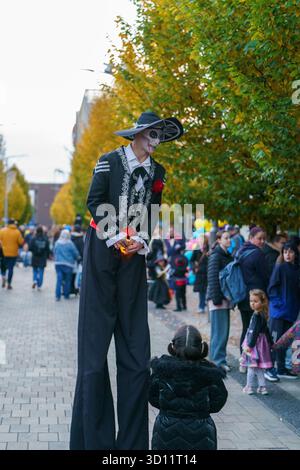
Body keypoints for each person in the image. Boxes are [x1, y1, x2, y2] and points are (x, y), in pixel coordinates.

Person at [70, 111, 183, 450]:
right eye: (152, 133)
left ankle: (132, 446)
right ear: (137, 134)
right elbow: (94, 202)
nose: (156, 140)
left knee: (136, 351)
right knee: (93, 354)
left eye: (160, 135)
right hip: (102, 251)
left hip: (134, 255)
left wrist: (142, 239)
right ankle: (94, 442)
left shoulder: (158, 172)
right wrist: (117, 236)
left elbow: (152, 211)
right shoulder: (108, 161)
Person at [149, 325, 228, 450]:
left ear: (173, 346)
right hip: (202, 431)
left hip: (166, 429)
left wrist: (169, 409)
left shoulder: (161, 369)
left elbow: (152, 396)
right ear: (201, 347)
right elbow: (218, 402)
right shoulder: (210, 372)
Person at [237, 226, 269, 372]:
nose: (262, 241)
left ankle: (243, 360)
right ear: (251, 237)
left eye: (264, 238)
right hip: (255, 297)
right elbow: (265, 276)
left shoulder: (240, 250)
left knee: (246, 328)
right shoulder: (258, 254)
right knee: (256, 329)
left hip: (243, 297)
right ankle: (254, 360)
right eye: (259, 238)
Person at [267, 242, 300, 379]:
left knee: (285, 342)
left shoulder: (297, 269)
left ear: (295, 254)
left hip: (291, 312)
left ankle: (281, 368)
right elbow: (272, 288)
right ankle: (269, 368)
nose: (287, 254)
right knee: (275, 342)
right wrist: (279, 304)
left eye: (290, 252)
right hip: (279, 312)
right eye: (285, 252)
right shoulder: (279, 268)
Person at [207, 231, 233, 372]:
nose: (229, 240)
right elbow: (212, 278)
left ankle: (217, 359)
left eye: (230, 238)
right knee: (219, 332)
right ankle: (217, 361)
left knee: (222, 331)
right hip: (217, 299)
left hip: (223, 299)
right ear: (218, 240)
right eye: (226, 238)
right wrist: (216, 298)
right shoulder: (216, 255)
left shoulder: (225, 254)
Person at [240, 290, 273, 395]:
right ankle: (262, 387)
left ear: (262, 302)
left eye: (255, 301)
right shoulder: (263, 314)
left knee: (251, 366)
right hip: (261, 345)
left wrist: (249, 345)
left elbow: (254, 332)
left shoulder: (256, 316)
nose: (252, 303)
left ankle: (249, 387)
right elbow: (267, 331)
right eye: (251, 301)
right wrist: (271, 343)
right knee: (259, 368)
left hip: (254, 345)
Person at [53, 229, 80, 301]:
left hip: (58, 264)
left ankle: (57, 296)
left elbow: (54, 251)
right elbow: (75, 253)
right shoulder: (70, 243)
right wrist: (78, 258)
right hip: (68, 265)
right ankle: (66, 295)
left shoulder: (57, 243)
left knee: (59, 280)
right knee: (68, 280)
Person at [0, 219, 24, 289]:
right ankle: (9, 284)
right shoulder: (17, 232)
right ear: (14, 224)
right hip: (13, 253)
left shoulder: (2, 231)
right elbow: (21, 242)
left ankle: (3, 276)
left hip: (4, 252)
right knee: (11, 268)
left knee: (3, 267)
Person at [191, 238, 209, 313]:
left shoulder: (209, 249)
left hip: (207, 273)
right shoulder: (196, 249)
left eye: (203, 242)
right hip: (199, 273)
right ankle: (201, 306)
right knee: (201, 291)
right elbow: (192, 260)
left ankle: (205, 304)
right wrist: (194, 268)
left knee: (207, 290)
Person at [170, 246, 188, 311]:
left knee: (177, 295)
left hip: (177, 281)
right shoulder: (183, 260)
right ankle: (184, 306)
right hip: (184, 280)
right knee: (183, 294)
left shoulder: (175, 261)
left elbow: (172, 272)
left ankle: (179, 307)